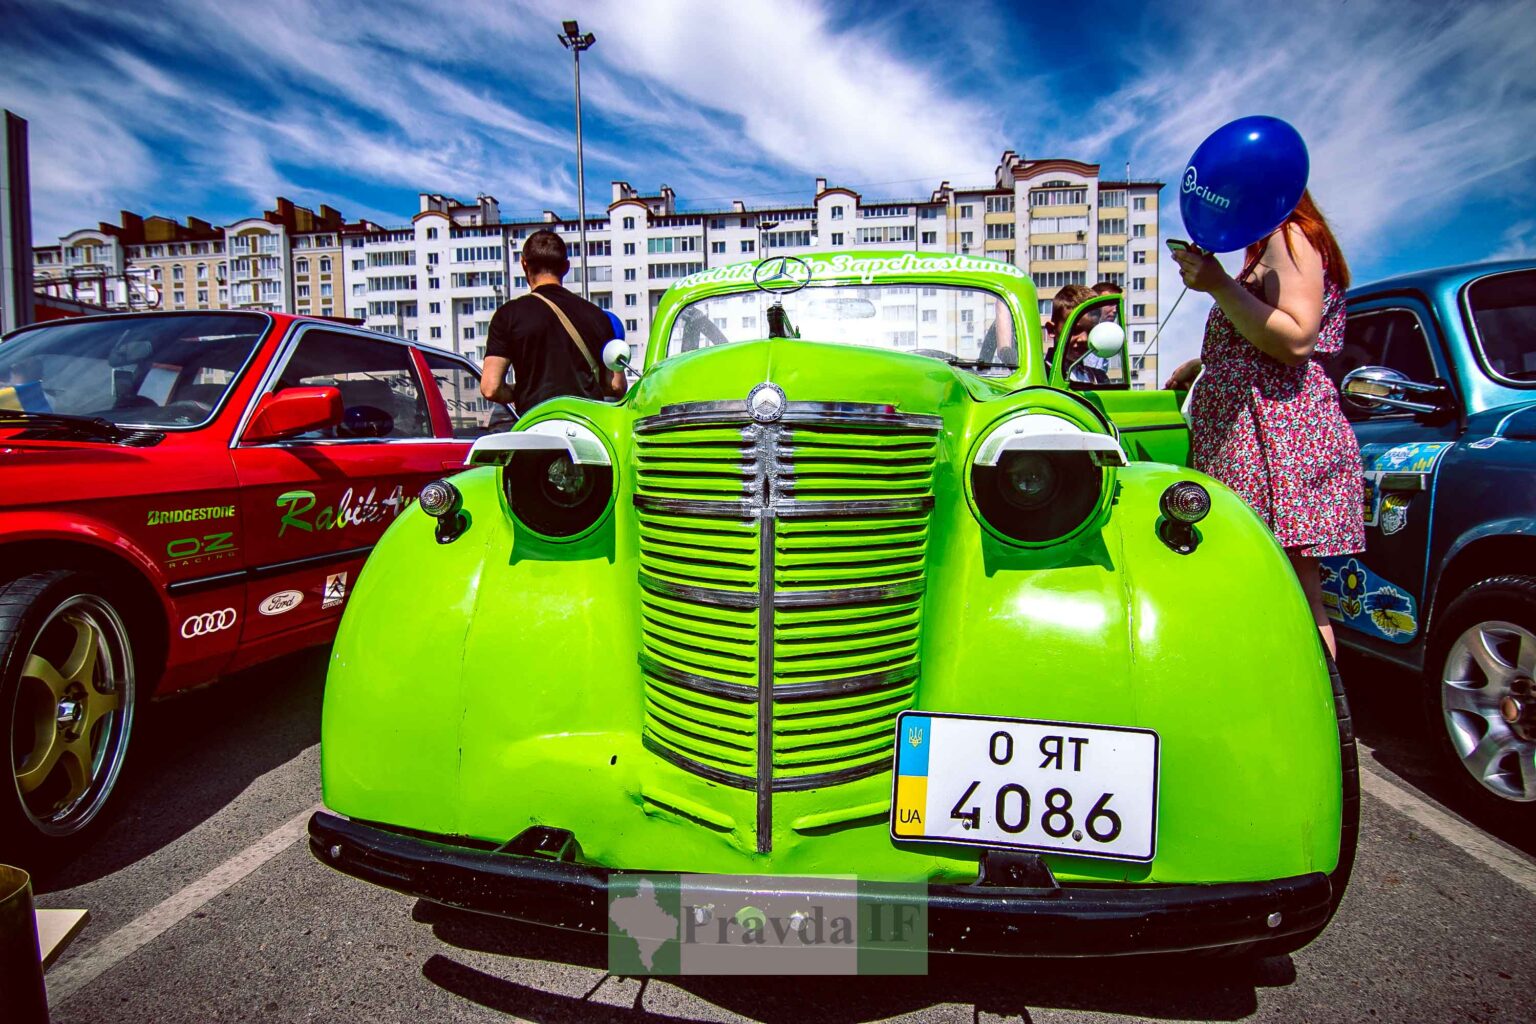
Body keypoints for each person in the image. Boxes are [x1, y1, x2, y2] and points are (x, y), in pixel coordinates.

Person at [1163, 190, 1362, 657]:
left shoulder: (1288, 234)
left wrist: (1218, 284)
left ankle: (1317, 719)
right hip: (1254, 432)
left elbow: (1295, 340)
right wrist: (1204, 364)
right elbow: (1260, 335)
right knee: (1262, 584)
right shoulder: (1269, 245)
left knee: (1291, 591)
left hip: (1274, 435)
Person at [481, 229, 626, 416]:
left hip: (537, 429)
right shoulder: (599, 317)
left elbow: (490, 388)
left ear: (524, 265)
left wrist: (522, 392)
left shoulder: (508, 315)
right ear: (566, 267)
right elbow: (616, 386)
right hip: (587, 427)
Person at [1046, 284, 1108, 384]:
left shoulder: (1099, 378)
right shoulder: (1040, 377)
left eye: (1091, 331)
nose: (1084, 339)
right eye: (1074, 330)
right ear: (1052, 330)